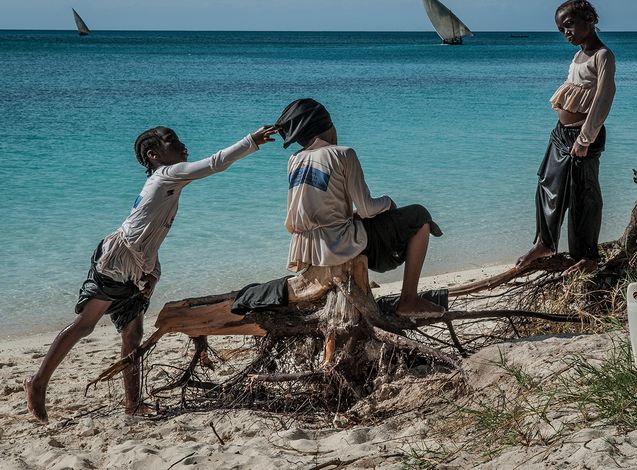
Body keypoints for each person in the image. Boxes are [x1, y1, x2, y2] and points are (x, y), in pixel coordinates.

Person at [24, 125, 277, 422]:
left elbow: (151, 234)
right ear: (154, 155)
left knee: (133, 333)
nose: (183, 145)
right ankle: (38, 383)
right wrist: (251, 140)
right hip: (117, 261)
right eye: (174, 142)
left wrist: (153, 272)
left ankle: (133, 404)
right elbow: (215, 163)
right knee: (84, 325)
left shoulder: (168, 181)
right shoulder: (167, 175)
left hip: (139, 265)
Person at [274, 98, 444, 318]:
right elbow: (367, 208)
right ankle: (409, 299)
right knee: (419, 216)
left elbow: (317, 208)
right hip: (338, 245)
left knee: (373, 221)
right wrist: (388, 202)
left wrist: (349, 216)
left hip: (304, 248)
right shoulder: (343, 154)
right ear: (326, 127)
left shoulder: (294, 160)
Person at [516, 0, 616, 274]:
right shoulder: (578, 55)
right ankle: (544, 242)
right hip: (561, 134)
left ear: (590, 20)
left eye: (570, 25)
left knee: (584, 196)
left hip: (584, 137)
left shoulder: (602, 56)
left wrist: (585, 139)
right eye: (561, 29)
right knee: (547, 183)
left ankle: (587, 255)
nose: (566, 32)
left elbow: (603, 99)